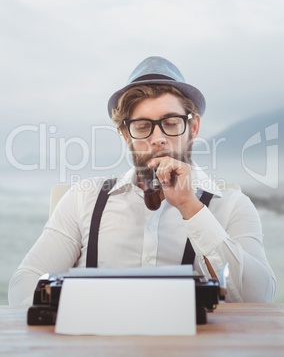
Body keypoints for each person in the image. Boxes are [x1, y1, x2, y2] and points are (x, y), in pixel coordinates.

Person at [9, 56, 276, 306]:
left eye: (171, 123)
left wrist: (191, 208)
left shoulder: (232, 206)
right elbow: (23, 288)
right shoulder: (83, 199)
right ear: (126, 134)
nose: (158, 137)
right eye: (142, 126)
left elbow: (259, 299)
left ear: (192, 128)